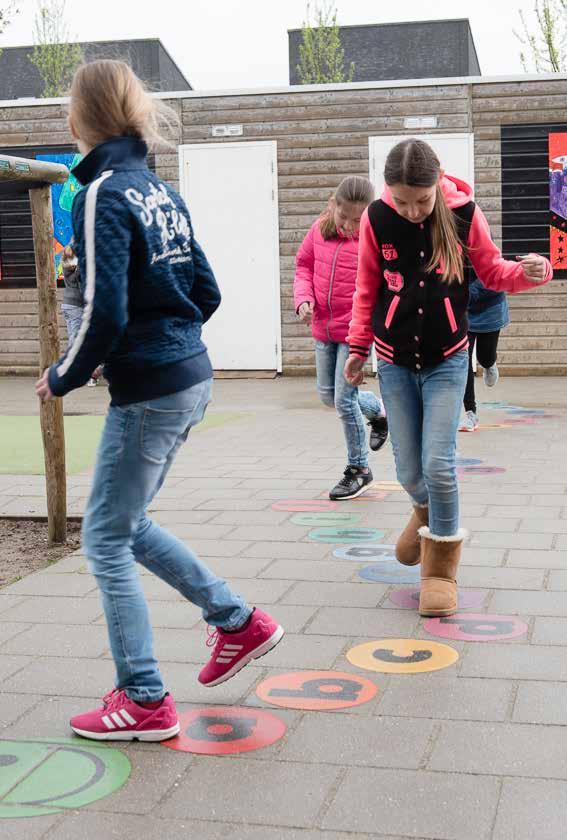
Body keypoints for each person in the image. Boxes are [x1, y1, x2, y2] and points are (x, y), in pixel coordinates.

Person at [35, 59, 284, 742]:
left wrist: (63, 374)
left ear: (80, 119)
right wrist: (170, 340)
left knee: (105, 536)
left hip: (151, 388)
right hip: (188, 377)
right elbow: (206, 291)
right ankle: (237, 620)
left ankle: (143, 695)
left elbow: (104, 309)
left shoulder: (101, 193)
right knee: (128, 521)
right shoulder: (157, 189)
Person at [344, 138, 552, 617]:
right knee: (408, 472)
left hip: (448, 359)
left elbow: (495, 272)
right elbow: (366, 288)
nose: (414, 211)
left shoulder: (463, 215)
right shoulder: (377, 219)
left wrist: (532, 272)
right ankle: (425, 513)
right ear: (388, 192)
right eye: (402, 201)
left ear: (438, 183)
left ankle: (439, 570)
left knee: (439, 465)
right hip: (393, 361)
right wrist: (356, 349)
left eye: (422, 200)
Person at [293, 176, 388, 500]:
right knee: (327, 396)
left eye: (356, 220)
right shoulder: (319, 230)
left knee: (344, 402)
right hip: (323, 328)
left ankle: (359, 470)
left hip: (354, 332)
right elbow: (303, 266)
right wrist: (303, 299)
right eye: (343, 216)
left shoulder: (373, 241)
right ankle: (377, 410)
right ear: (333, 205)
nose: (348, 225)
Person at [459, 276, 509, 431]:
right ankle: (470, 413)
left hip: (490, 306)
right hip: (463, 310)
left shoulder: (488, 251)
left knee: (485, 357)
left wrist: (464, 292)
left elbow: (496, 275)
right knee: (463, 360)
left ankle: (489, 363)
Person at [61, 242, 101, 387]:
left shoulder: (68, 264)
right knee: (75, 338)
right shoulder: (71, 267)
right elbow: (78, 282)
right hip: (74, 305)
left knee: (76, 337)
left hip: (69, 305)